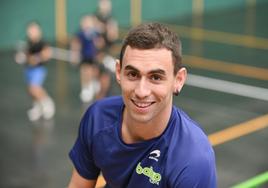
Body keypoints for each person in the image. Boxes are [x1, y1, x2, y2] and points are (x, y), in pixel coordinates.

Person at [68, 23, 217, 188]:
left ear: (178, 80)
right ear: (118, 72)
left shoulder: (193, 159)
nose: (141, 91)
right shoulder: (98, 118)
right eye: (132, 74)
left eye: (155, 77)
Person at [71, 15, 111, 103]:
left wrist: (99, 45)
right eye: (85, 23)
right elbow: (76, 43)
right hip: (85, 56)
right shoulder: (81, 33)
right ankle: (86, 88)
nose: (86, 24)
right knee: (85, 71)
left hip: (94, 56)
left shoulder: (95, 32)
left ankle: (93, 84)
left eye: (88, 22)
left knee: (94, 71)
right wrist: (75, 54)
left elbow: (101, 42)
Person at [21, 22, 55, 121]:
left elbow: (47, 54)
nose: (31, 32)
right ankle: (37, 107)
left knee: (34, 88)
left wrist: (37, 58)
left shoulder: (42, 43)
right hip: (28, 69)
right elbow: (27, 56)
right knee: (31, 90)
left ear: (39, 31)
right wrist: (24, 58)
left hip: (38, 69)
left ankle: (47, 103)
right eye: (30, 30)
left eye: (34, 30)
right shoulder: (28, 43)